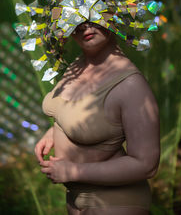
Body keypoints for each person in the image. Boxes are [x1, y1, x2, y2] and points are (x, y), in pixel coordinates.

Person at [35, 20, 160, 215]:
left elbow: (146, 165)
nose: (84, 26)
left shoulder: (131, 85)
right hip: (75, 199)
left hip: (116, 202)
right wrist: (55, 130)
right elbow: (88, 115)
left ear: (113, 17)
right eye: (76, 19)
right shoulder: (79, 64)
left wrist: (73, 171)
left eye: (93, 17)